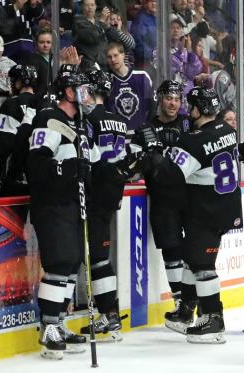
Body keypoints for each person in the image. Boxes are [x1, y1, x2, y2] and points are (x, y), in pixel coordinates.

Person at [140, 86, 242, 344]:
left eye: (191, 106)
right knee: (191, 259)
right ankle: (186, 310)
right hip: (227, 206)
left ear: (197, 109)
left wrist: (155, 159)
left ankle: (212, 319)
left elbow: (170, 179)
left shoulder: (193, 140)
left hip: (205, 211)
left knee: (202, 265)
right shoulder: (228, 131)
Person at [27, 68, 93, 359]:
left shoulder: (78, 126)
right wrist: (69, 168)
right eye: (83, 88)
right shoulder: (50, 119)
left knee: (70, 262)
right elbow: (36, 164)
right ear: (69, 92)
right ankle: (48, 326)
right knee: (58, 262)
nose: (88, 94)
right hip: (51, 204)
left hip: (71, 204)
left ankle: (61, 321)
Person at [77, 69, 132, 341]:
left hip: (95, 191)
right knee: (100, 254)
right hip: (113, 192)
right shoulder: (120, 121)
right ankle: (109, 314)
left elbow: (89, 159)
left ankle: (108, 315)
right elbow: (127, 161)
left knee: (97, 256)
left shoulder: (90, 119)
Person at [134, 80, 190, 333]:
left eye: (177, 99)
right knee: (171, 250)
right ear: (160, 99)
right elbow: (138, 161)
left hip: (189, 196)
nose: (173, 103)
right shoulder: (146, 127)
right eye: (169, 98)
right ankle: (180, 303)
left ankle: (192, 302)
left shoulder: (189, 125)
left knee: (192, 251)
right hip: (161, 199)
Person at [0, 65, 39, 196]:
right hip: (41, 171)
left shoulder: (11, 104)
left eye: (14, 80)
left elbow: (5, 142)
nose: (12, 83)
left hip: (18, 171)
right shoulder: (44, 102)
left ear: (20, 82)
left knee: (6, 214)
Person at [105, 42, 154, 131]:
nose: (113, 59)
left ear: (123, 55)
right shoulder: (106, 81)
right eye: (109, 57)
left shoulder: (142, 76)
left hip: (140, 136)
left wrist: (147, 128)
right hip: (118, 137)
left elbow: (152, 106)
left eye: (115, 55)